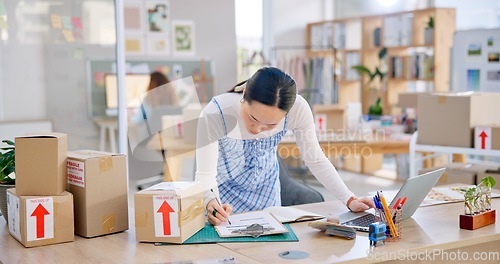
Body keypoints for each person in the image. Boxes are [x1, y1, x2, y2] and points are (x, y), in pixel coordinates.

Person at [195, 67, 374, 226]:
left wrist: (349, 199)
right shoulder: (215, 113)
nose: (257, 129)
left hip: (268, 198)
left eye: (270, 125)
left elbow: (315, 159)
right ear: (245, 93)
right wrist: (212, 203)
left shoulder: (298, 109)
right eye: (253, 118)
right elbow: (205, 175)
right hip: (224, 201)